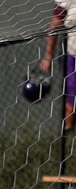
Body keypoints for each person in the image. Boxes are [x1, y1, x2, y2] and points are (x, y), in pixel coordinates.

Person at [40, 2, 76, 130]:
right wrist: (48, 56)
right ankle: (68, 132)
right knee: (71, 104)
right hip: (73, 57)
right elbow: (55, 23)